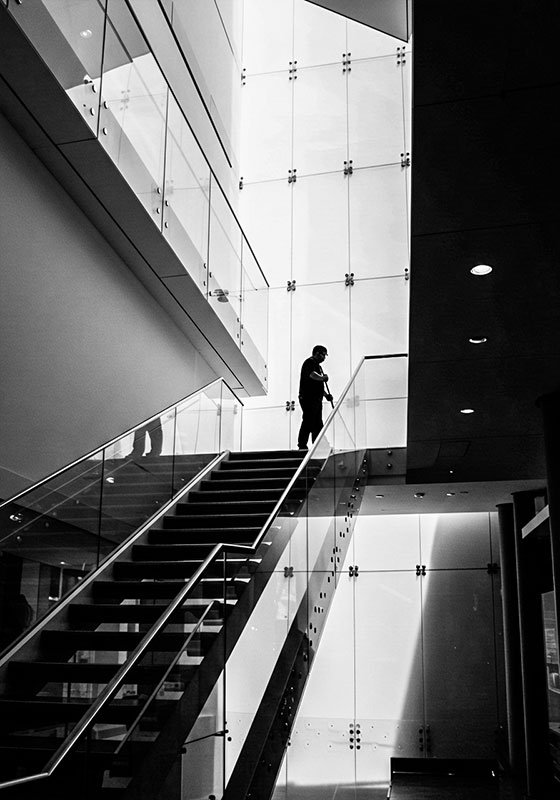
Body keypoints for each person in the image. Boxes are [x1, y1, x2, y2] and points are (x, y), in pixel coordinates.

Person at [297, 345, 333, 450]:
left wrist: (326, 395)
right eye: (323, 355)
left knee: (317, 422)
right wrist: (323, 378)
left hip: (316, 399)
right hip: (308, 398)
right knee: (308, 420)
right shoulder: (309, 362)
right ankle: (302, 445)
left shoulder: (317, 365)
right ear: (317, 353)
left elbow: (317, 385)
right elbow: (312, 375)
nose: (324, 358)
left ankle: (318, 445)